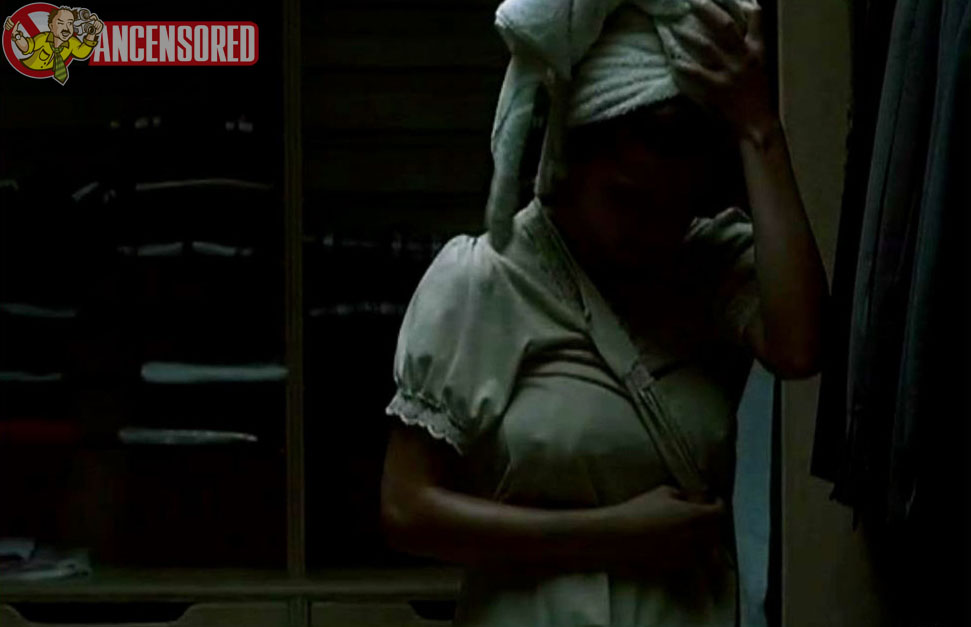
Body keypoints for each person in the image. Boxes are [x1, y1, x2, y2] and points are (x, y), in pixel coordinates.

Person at [380, 0, 827, 625]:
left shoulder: (705, 265)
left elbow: (801, 348)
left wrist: (760, 130)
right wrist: (614, 535)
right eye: (625, 199)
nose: (650, 228)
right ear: (570, 160)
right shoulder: (486, 280)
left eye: (673, 205)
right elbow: (407, 509)